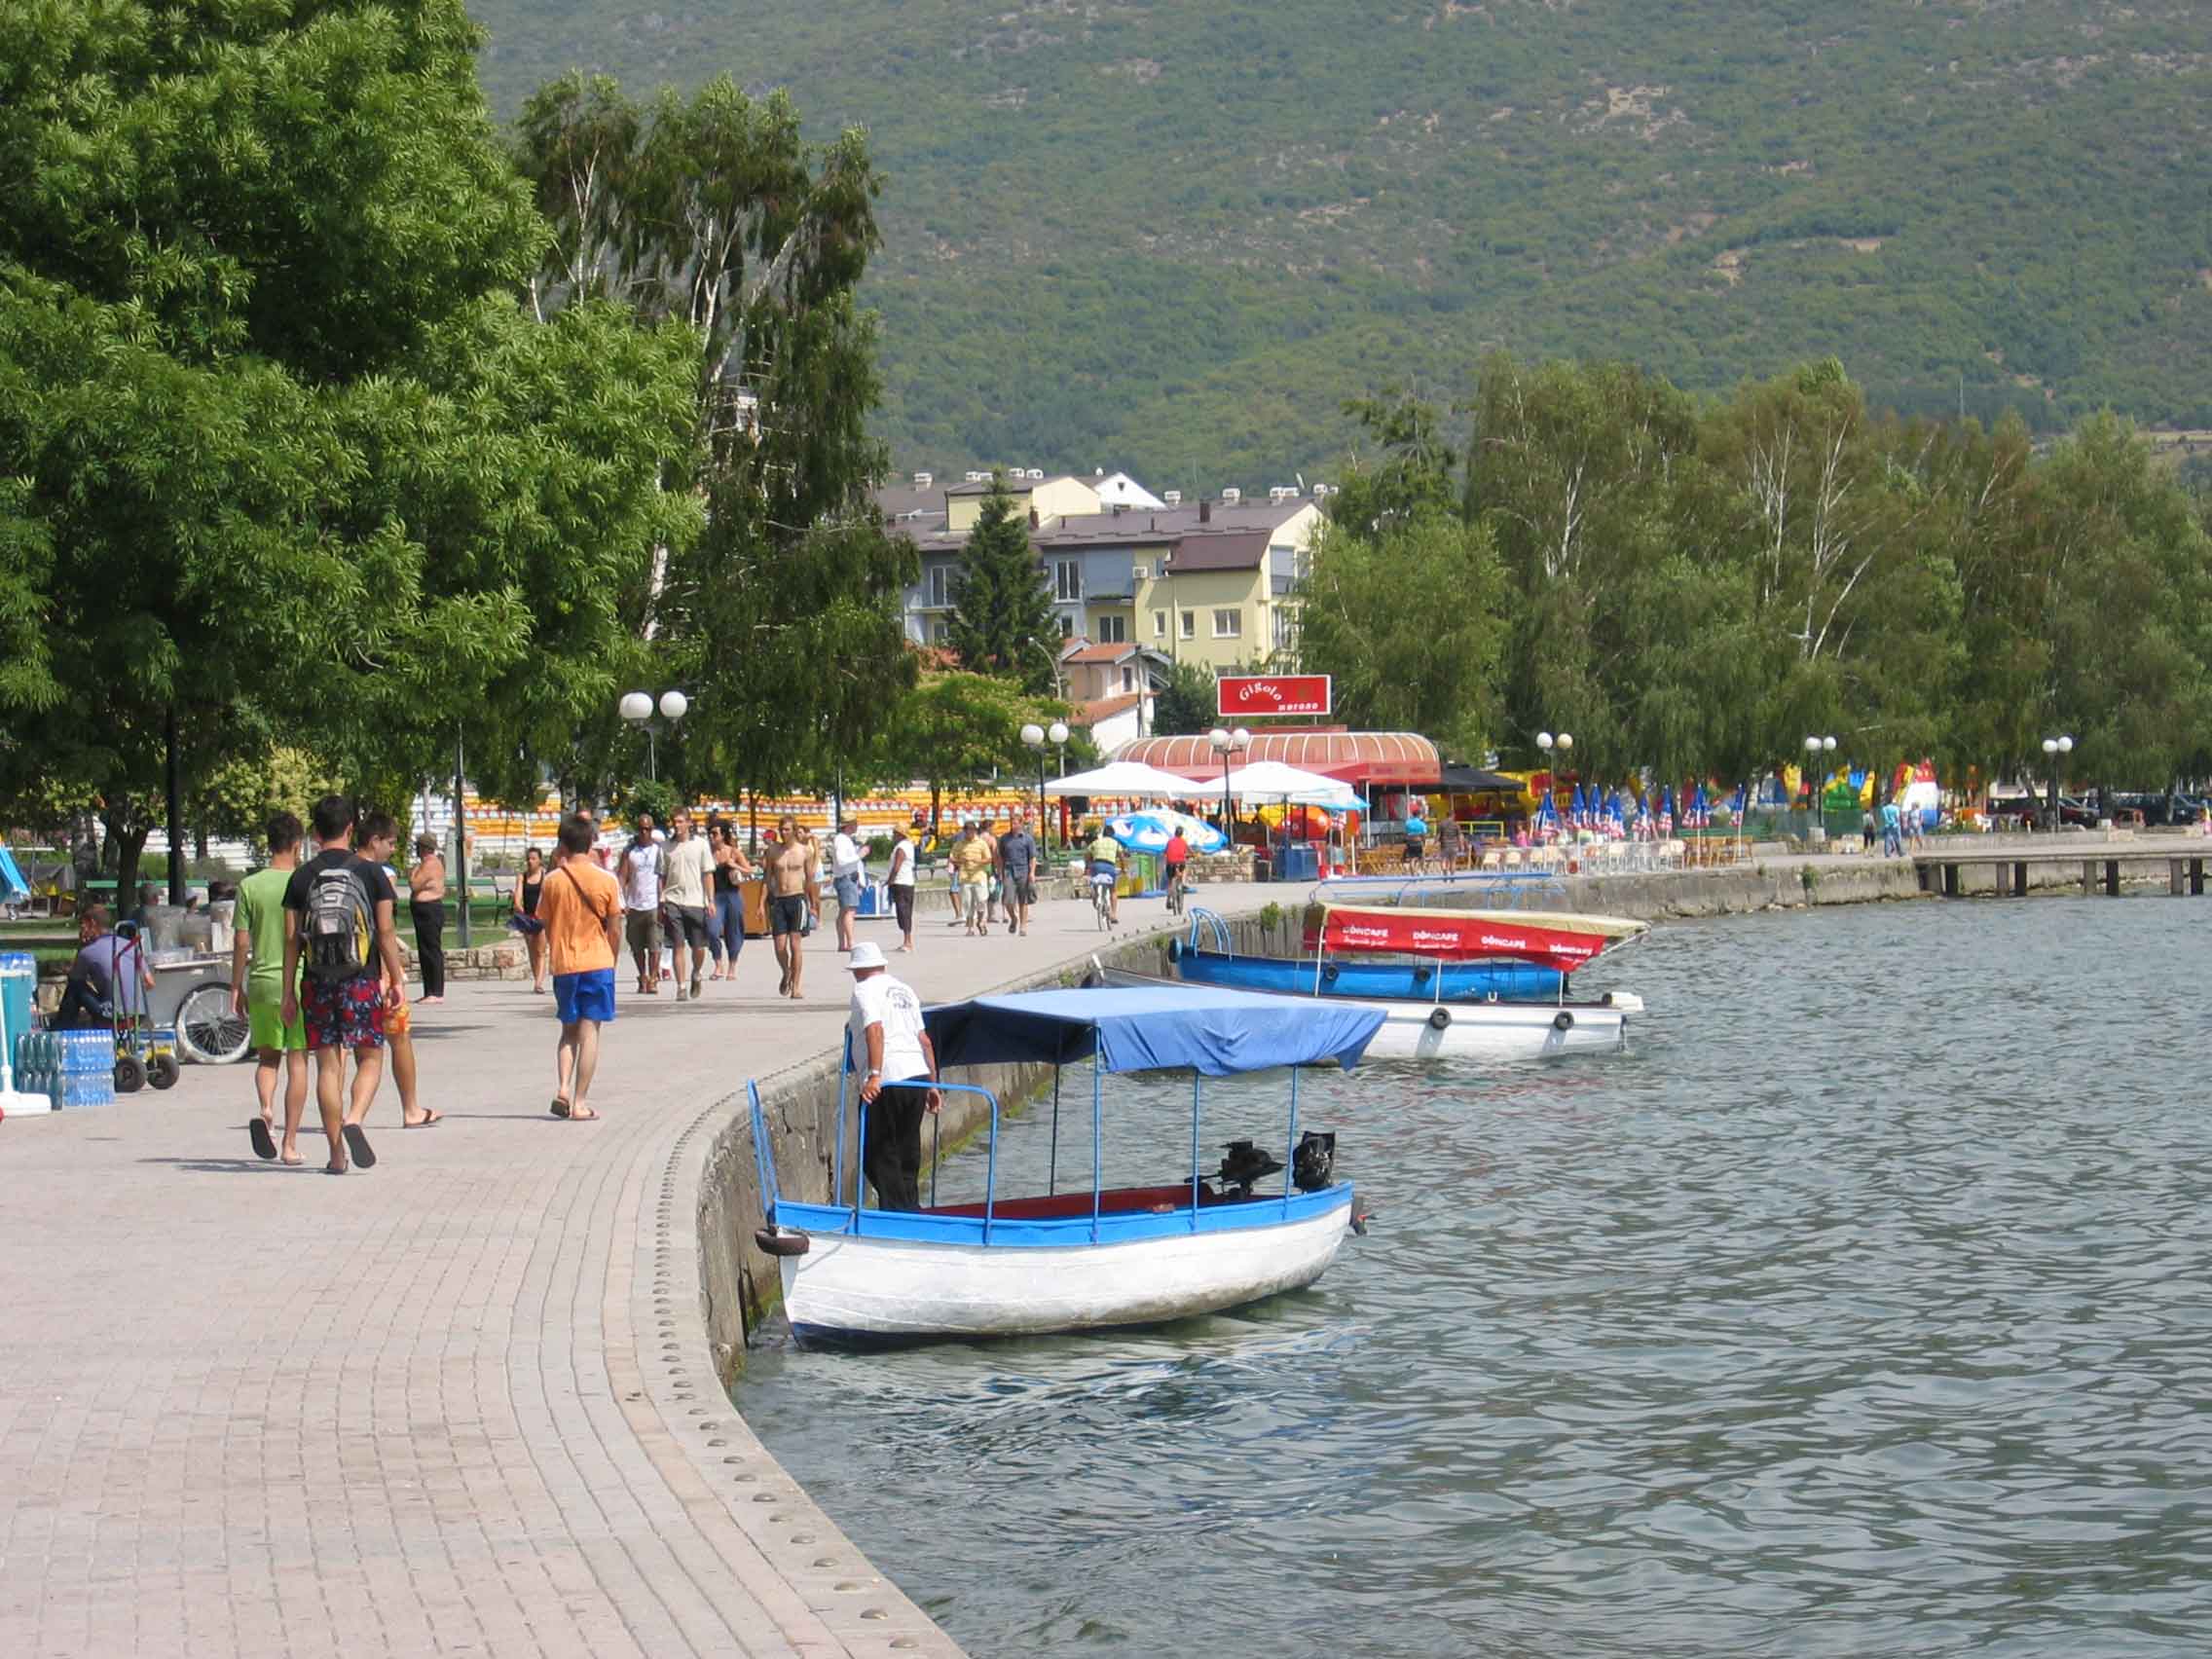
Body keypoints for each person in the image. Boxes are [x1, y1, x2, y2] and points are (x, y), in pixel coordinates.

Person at [280, 795, 407, 1175]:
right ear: (352, 828)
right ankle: (355, 1117)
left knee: (328, 1067)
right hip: (361, 980)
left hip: (317, 982)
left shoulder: (301, 876)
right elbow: (384, 932)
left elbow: (292, 941)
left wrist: (289, 991)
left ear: (315, 832)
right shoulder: (372, 875)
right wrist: (396, 978)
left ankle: (336, 1155)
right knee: (370, 1056)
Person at [536, 813, 622, 1122]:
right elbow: (614, 928)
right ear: (591, 842)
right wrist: (612, 959)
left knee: (568, 1032)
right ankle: (580, 1102)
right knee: (590, 1033)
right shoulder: (607, 881)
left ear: (562, 843)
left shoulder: (552, 882)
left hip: (564, 964)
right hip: (597, 962)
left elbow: (543, 920)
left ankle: (562, 1088)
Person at [235, 813, 310, 1163]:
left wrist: (236, 986)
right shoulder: (304, 882)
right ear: (297, 845)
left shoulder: (249, 886)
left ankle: (266, 1108)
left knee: (267, 1058)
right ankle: (290, 1144)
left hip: (262, 980)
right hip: (297, 980)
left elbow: (240, 941)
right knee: (298, 1060)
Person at [845, 941, 940, 1211]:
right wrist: (933, 1085)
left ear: (858, 970)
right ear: (883, 965)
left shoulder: (862, 990)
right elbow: (924, 1041)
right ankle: (912, 1210)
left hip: (889, 1077)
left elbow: (875, 1030)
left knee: (877, 1153)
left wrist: (874, 1075)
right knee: (907, 1150)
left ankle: (898, 1215)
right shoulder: (905, 990)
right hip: (917, 1075)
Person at [361, 815, 442, 1131]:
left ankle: (345, 1114)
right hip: (375, 972)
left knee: (343, 1049)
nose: (393, 850)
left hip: (338, 976)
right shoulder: (379, 875)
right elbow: (384, 930)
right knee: (399, 1038)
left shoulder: (329, 872)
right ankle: (410, 1109)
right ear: (374, 840)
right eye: (391, 843)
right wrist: (395, 977)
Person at [55, 903, 152, 1027]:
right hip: (140, 1016)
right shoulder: (130, 945)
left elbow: (74, 978)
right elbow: (150, 982)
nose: (81, 929)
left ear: (92, 923)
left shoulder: (88, 952)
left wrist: (81, 946)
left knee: (75, 986)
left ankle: (61, 1028)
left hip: (114, 1018)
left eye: (82, 925)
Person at [660, 807, 716, 1002]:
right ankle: (681, 986)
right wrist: (662, 898)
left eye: (681, 821)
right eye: (675, 822)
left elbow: (707, 874)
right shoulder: (666, 847)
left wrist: (710, 900)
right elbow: (663, 875)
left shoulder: (700, 845)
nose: (677, 825)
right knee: (677, 944)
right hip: (673, 900)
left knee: (699, 947)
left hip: (696, 901)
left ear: (689, 823)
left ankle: (696, 972)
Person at [762, 815, 819, 998]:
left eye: (787, 829)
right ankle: (786, 972)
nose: (783, 833)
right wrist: (760, 904)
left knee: (795, 944)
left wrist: (813, 903)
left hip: (797, 898)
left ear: (794, 830)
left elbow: (810, 879)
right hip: (779, 899)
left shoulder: (805, 851)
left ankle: (796, 985)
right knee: (779, 946)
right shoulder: (773, 851)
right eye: (781, 829)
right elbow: (766, 878)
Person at [620, 813, 666, 995]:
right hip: (635, 904)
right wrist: (622, 900)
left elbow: (664, 876)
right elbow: (623, 876)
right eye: (641, 829)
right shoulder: (630, 851)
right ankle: (643, 976)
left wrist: (663, 898)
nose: (644, 832)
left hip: (654, 903)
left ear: (652, 830)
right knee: (637, 945)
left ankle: (654, 978)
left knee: (655, 944)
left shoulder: (659, 850)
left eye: (648, 829)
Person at [709, 824, 756, 979]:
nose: (711, 836)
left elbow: (750, 871)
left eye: (715, 833)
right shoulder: (707, 853)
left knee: (734, 931)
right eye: (710, 833)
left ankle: (732, 967)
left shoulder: (733, 852)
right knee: (712, 930)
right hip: (715, 897)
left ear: (723, 835)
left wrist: (734, 865)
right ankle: (718, 964)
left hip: (732, 895)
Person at [407, 833, 447, 1004]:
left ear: (423, 848)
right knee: (425, 951)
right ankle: (429, 989)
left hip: (429, 909)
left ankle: (436, 992)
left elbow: (414, 883)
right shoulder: (428, 863)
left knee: (431, 950)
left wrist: (414, 870)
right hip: (423, 910)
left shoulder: (430, 864)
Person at [512, 845, 549, 994]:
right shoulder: (522, 877)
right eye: (528, 858)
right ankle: (537, 978)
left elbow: (547, 896)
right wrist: (519, 906)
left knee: (540, 951)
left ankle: (538, 983)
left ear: (540, 860)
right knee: (532, 951)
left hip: (541, 918)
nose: (530, 861)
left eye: (533, 858)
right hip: (527, 918)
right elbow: (518, 897)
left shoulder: (545, 876)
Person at [997, 809, 1038, 937]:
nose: (1013, 826)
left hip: (1023, 870)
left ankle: (1023, 926)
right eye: (1011, 823)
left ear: (1021, 824)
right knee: (1008, 901)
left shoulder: (1027, 839)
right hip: (1009, 870)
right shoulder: (1004, 838)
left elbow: (1032, 857)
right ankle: (1014, 918)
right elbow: (1001, 857)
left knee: (1023, 899)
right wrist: (1000, 872)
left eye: (1015, 823)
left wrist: (1032, 873)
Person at [830, 816, 867, 951]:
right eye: (855, 823)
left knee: (844, 912)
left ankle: (843, 943)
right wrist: (860, 855)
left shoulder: (844, 839)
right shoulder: (841, 840)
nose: (857, 826)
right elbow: (842, 861)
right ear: (849, 825)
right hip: (846, 877)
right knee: (849, 911)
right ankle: (850, 942)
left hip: (846, 877)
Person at [952, 820, 994, 937]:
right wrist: (961, 861)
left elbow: (989, 858)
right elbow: (952, 858)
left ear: (975, 831)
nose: (970, 833)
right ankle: (970, 928)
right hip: (965, 877)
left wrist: (980, 861)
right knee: (968, 904)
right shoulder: (959, 844)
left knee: (981, 900)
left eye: (972, 830)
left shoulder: (981, 843)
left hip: (979, 876)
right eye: (967, 831)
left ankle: (980, 921)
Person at [884, 822, 918, 952]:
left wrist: (890, 881)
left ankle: (907, 942)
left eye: (894, 833)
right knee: (905, 912)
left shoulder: (901, 848)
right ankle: (907, 941)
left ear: (899, 834)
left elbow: (896, 867)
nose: (893, 835)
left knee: (903, 913)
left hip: (900, 882)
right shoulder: (908, 845)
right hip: (907, 882)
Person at [1087, 825, 1123, 924]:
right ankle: (1113, 915)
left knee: (1095, 884)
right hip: (1110, 867)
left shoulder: (1096, 842)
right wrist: (1124, 869)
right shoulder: (1115, 843)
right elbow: (1121, 856)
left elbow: (1087, 853)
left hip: (1096, 865)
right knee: (1113, 891)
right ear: (1113, 835)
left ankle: (1094, 894)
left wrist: (1088, 865)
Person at [1161, 825, 1191, 907]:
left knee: (1170, 881)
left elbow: (1165, 852)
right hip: (1180, 863)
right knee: (1184, 868)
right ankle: (1182, 883)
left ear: (1175, 833)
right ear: (1182, 834)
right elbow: (1189, 851)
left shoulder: (1170, 841)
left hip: (1170, 863)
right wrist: (1193, 854)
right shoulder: (1183, 841)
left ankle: (1168, 899)